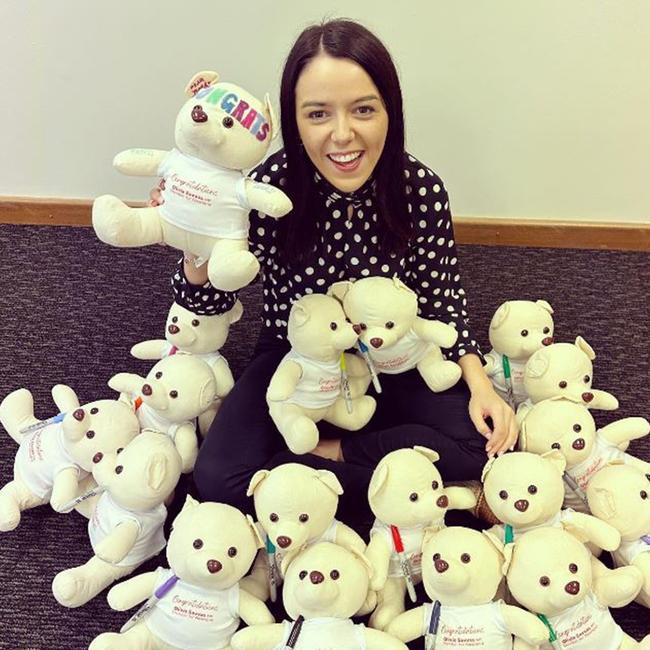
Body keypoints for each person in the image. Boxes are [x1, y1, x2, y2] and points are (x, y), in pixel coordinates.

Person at [162, 19, 518, 527]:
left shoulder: (420, 189)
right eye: (318, 114)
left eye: (364, 110)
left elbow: (442, 298)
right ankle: (408, 492)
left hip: (394, 355)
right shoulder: (266, 192)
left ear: (389, 112)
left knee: (482, 445)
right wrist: (194, 248)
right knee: (218, 479)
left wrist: (481, 386)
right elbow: (210, 307)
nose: (343, 135)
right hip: (296, 359)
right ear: (293, 119)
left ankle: (332, 459)